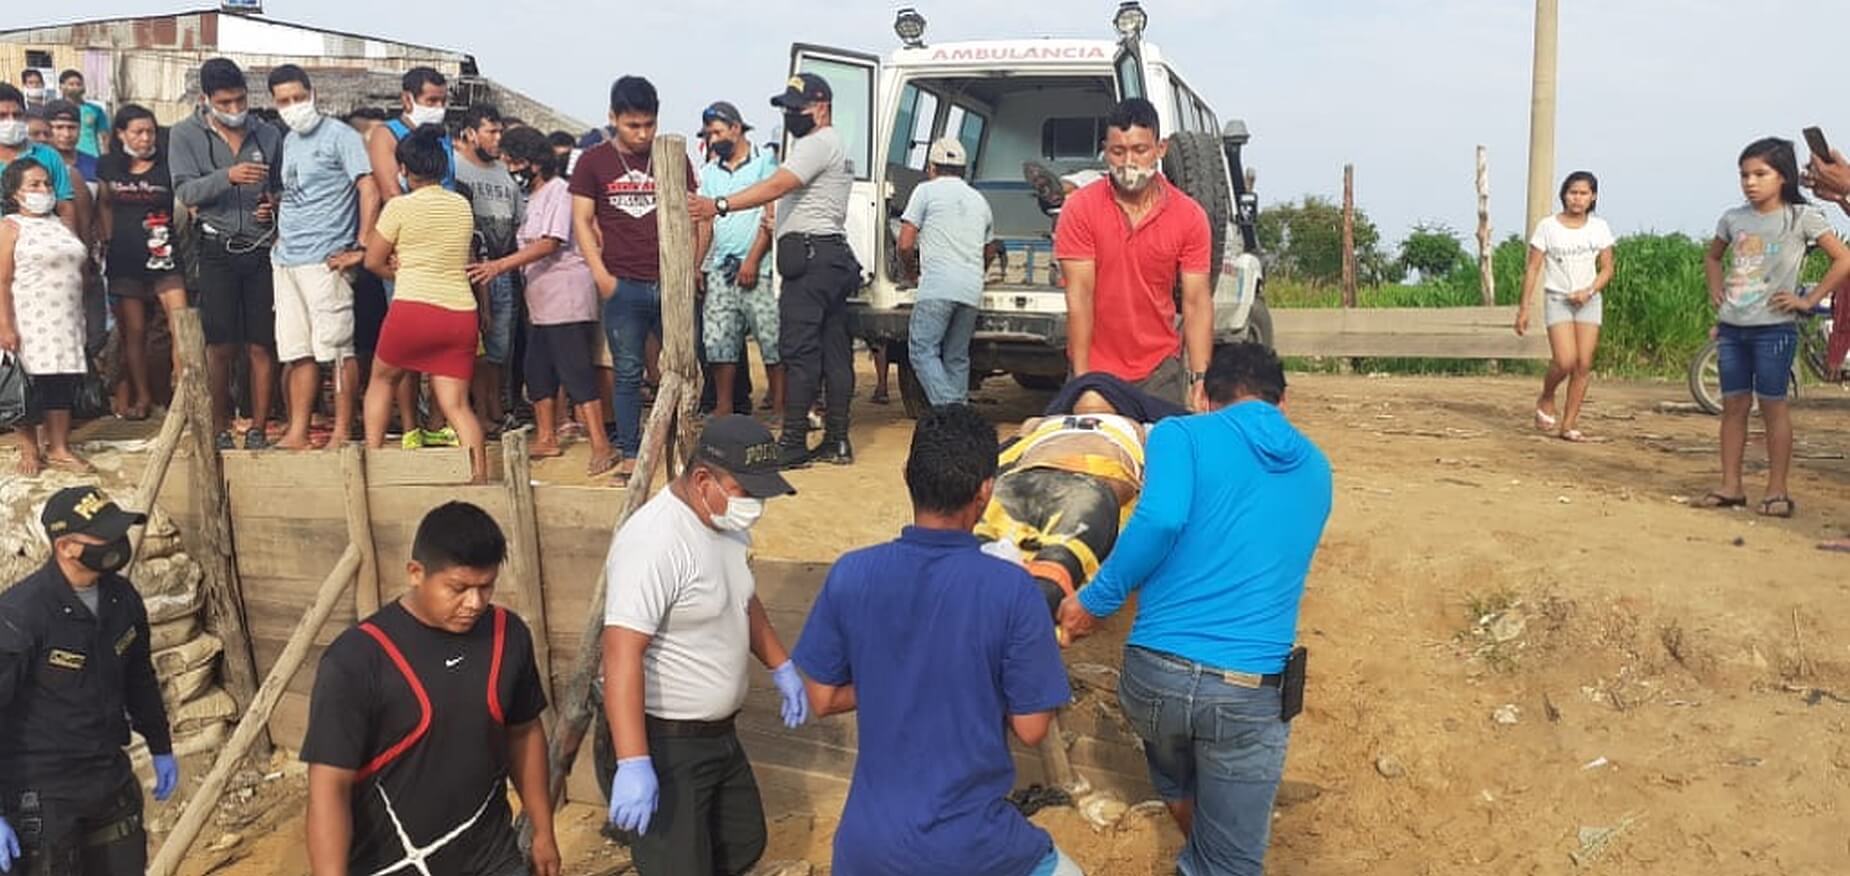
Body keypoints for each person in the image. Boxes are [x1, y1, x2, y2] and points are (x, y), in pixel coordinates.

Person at [1059, 342, 1333, 876]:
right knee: (1230, 861)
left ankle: (1201, 852)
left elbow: (1160, 520)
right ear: (1285, 401)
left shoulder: (1181, 435)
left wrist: (1093, 603)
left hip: (1155, 679)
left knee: (1175, 775)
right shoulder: (1317, 469)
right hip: (1250, 691)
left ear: (1201, 395)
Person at [791, 405, 1081, 876]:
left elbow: (820, 698)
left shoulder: (851, 573)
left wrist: (901, 676)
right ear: (985, 491)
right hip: (972, 848)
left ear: (907, 474)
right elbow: (1032, 728)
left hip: (865, 849)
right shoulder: (1012, 589)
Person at [301, 502, 560, 876]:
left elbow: (524, 734)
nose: (474, 603)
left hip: (492, 859)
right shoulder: (357, 660)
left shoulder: (508, 635)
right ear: (416, 573)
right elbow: (328, 786)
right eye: (458, 588)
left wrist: (543, 830)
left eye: (486, 587)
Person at [600, 415, 807, 875]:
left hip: (718, 736)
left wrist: (781, 665)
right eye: (746, 491)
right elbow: (620, 654)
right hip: (666, 739)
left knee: (742, 839)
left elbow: (743, 597)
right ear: (701, 479)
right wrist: (633, 760)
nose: (754, 505)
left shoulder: (726, 526)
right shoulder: (655, 541)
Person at [0, 486, 179, 875]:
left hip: (107, 778)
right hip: (43, 790)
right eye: (105, 535)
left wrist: (161, 744)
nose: (117, 543)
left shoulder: (122, 599)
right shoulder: (22, 614)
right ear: (66, 547)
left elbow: (140, 679)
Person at [690, 73, 859, 467]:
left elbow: (776, 186)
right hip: (831, 254)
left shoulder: (817, 144)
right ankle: (837, 439)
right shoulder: (837, 144)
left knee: (799, 352)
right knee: (835, 352)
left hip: (812, 258)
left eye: (795, 108)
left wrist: (720, 205)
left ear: (821, 106)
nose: (789, 115)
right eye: (785, 108)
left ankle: (794, 442)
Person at [1697, 137, 1850, 519]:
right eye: (1744, 174)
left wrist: (1809, 300)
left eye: (1760, 174)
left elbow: (1843, 259)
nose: (1750, 182)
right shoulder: (1733, 219)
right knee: (1733, 405)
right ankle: (1731, 485)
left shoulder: (1801, 217)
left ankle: (1776, 490)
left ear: (1782, 177)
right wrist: (1716, 289)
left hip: (1775, 329)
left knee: (1773, 407)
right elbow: (1713, 257)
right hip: (1733, 327)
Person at [570, 76, 704, 480]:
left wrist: (691, 267)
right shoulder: (593, 162)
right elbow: (581, 219)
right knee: (627, 372)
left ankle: (686, 449)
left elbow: (695, 214)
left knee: (684, 368)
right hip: (622, 284)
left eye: (649, 124)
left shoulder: (672, 156)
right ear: (613, 118)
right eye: (633, 125)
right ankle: (631, 453)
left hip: (671, 284)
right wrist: (600, 274)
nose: (643, 134)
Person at [477, 125, 619, 475]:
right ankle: (546, 437)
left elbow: (550, 242)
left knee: (575, 370)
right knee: (537, 370)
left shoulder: (560, 192)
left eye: (514, 162)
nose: (511, 170)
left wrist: (499, 265)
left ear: (533, 162)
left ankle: (601, 444)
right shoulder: (533, 199)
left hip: (566, 293)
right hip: (540, 300)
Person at [1053, 98, 1213, 410]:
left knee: (1162, 453)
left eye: (1140, 150)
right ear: (1105, 151)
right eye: (1118, 151)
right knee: (1093, 445)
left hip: (1159, 369)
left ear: (1160, 149)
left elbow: (1196, 302)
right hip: (1096, 369)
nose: (1129, 161)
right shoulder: (1080, 208)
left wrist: (1201, 378)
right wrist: (1083, 379)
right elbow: (1079, 296)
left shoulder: (1189, 216)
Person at [976, 375, 1182, 615]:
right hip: (1085, 478)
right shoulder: (1142, 429)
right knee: (1052, 570)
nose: (1091, 399)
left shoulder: (1041, 423)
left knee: (1033, 566)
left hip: (1051, 474)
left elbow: (1007, 451)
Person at [170, 57, 283, 450]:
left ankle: (258, 429)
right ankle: (219, 427)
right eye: (226, 102)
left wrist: (274, 205)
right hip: (215, 246)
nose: (235, 110)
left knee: (261, 344)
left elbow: (283, 187)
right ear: (206, 99)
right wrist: (227, 177)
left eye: (240, 100)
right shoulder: (184, 135)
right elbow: (185, 192)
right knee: (219, 345)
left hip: (261, 248)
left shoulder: (268, 134)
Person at [364, 125, 488, 482]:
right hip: (460, 313)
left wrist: (395, 272)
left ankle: (373, 462)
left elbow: (373, 261)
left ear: (403, 170)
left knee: (382, 381)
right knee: (457, 405)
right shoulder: (462, 206)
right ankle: (480, 476)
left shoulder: (399, 207)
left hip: (413, 309)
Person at [266, 65, 377, 451]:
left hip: (327, 257)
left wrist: (361, 247)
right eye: (284, 100)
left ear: (312, 94)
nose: (294, 105)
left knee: (338, 349)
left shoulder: (341, 136)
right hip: (287, 258)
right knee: (298, 351)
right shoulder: (289, 141)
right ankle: (298, 431)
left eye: (299, 97)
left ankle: (342, 431)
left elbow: (368, 189)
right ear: (275, 104)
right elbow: (295, 193)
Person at [366, 66, 456, 450]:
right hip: (409, 249)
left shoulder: (443, 136)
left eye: (442, 101)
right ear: (408, 99)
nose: (437, 107)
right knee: (404, 350)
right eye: (430, 101)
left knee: (443, 346)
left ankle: (436, 422)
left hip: (447, 249)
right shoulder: (386, 135)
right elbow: (392, 193)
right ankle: (408, 426)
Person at [0, 159, 94, 475]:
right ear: (15, 192)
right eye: (34, 185)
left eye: (47, 184)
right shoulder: (10, 227)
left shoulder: (59, 224)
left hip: (64, 319)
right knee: (28, 384)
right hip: (28, 318)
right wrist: (4, 324)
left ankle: (58, 446)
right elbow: (1, 279)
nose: (43, 190)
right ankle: (29, 449)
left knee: (60, 381)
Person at [96, 104, 183, 421]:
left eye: (150, 131)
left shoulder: (168, 165)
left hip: (165, 256)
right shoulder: (107, 166)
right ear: (121, 134)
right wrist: (106, 241)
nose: (146, 138)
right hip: (125, 257)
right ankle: (143, 398)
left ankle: (182, 395)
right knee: (134, 332)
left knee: (180, 325)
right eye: (138, 132)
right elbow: (103, 205)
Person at [1515, 171, 1616, 442]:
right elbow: (1534, 267)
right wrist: (1524, 308)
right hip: (1558, 298)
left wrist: (1590, 290)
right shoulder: (1548, 226)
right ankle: (1547, 396)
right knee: (1565, 360)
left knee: (1583, 363)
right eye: (1573, 192)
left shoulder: (1599, 227)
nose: (1577, 198)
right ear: (1564, 194)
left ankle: (1569, 424)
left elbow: (1607, 268)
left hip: (1589, 300)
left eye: (1583, 193)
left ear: (1592, 197)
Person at [698, 101, 782, 418]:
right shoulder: (708, 172)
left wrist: (752, 259)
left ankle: (779, 408)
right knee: (718, 340)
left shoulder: (766, 163)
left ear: (736, 128)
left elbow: (770, 214)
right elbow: (705, 222)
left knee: (772, 341)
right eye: (709, 133)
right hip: (722, 265)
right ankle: (724, 407)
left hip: (760, 267)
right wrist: (697, 265)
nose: (712, 138)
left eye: (717, 131)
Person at [900, 137, 997, 407]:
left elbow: (906, 243)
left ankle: (952, 409)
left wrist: (911, 274)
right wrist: (979, 272)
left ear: (932, 167)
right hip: (970, 289)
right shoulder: (980, 201)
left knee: (921, 350)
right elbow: (989, 250)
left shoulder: (925, 192)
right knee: (956, 356)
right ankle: (959, 415)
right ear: (963, 170)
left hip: (937, 286)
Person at [453, 104, 523, 433]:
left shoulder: (503, 171)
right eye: (490, 132)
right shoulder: (454, 168)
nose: (498, 139)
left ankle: (496, 409)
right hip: (468, 269)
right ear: (470, 133)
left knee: (499, 347)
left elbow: (519, 221)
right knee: (475, 347)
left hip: (503, 268)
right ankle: (477, 412)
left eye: (500, 132)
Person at [40, 100, 105, 358]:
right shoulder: (40, 165)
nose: (66, 134)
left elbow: (101, 208)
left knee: (95, 329)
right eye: (59, 127)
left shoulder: (92, 164)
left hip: (88, 254)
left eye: (72, 127)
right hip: (52, 259)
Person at [0, 85, 79, 232]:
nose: (10, 121)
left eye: (17, 115)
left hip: (41, 244)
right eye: (2, 116)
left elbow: (65, 206)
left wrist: (70, 242)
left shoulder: (48, 155)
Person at [56, 71, 109, 158]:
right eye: (71, 84)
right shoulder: (55, 109)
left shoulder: (95, 110)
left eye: (78, 84)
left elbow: (105, 137)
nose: (75, 87)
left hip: (91, 156)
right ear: (62, 86)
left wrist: (107, 159)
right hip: (63, 157)